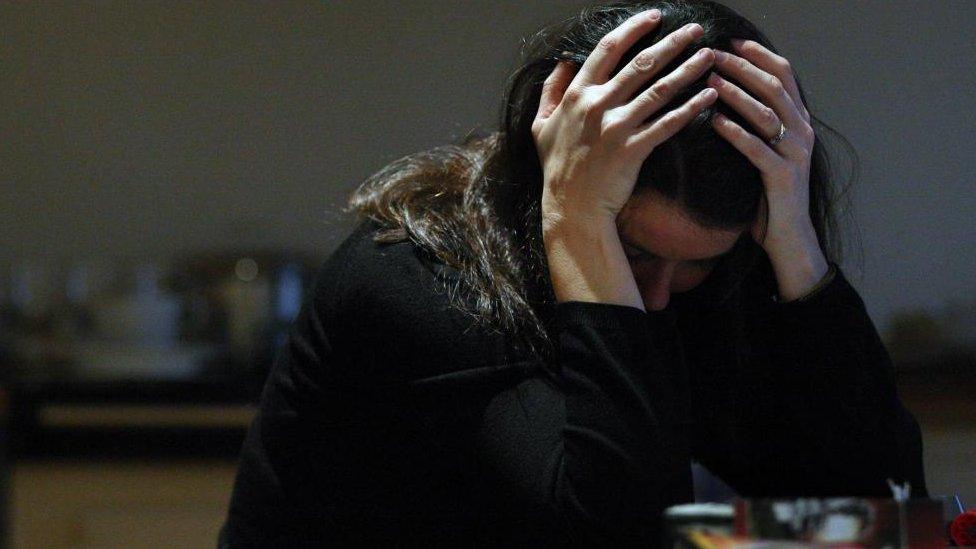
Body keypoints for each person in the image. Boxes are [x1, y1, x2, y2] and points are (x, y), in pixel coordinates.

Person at [218, 1, 927, 546]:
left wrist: (797, 245)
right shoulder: (415, 278)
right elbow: (612, 532)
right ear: (553, 187)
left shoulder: (725, 285)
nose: (656, 296)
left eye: (700, 264)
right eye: (636, 252)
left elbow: (884, 511)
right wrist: (577, 223)